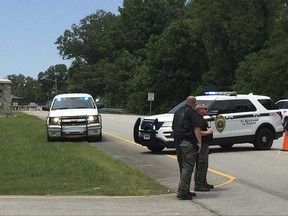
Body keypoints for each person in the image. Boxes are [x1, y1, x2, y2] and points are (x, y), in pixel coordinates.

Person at [176, 96, 203, 200]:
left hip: (181, 142)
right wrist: (199, 143)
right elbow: (197, 128)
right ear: (194, 104)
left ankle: (185, 190)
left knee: (185, 167)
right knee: (188, 168)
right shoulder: (192, 113)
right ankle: (182, 191)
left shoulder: (179, 112)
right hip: (189, 143)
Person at [194, 103, 214, 191]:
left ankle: (203, 181)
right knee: (201, 163)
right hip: (201, 143)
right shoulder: (197, 119)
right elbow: (198, 132)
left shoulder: (201, 118)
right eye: (205, 109)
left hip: (205, 143)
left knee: (204, 164)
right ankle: (198, 184)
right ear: (199, 110)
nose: (207, 110)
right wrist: (208, 132)